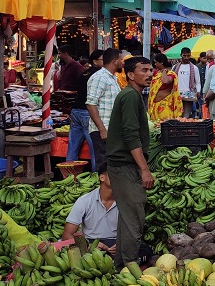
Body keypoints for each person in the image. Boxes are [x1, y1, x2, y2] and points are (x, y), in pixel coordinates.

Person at [107, 56, 155, 269]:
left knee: (128, 219)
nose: (149, 74)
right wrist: (144, 169)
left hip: (125, 166)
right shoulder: (130, 96)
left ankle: (120, 267)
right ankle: (129, 268)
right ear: (130, 74)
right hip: (124, 166)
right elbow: (130, 134)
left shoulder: (132, 96)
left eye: (151, 70)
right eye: (143, 70)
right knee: (134, 220)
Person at [62, 163, 117, 253]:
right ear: (102, 178)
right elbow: (67, 235)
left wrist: (123, 244)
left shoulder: (125, 202)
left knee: (145, 250)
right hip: (91, 242)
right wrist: (87, 245)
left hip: (116, 243)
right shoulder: (85, 201)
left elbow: (133, 232)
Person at [86, 49, 123, 172]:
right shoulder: (99, 77)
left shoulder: (112, 78)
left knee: (111, 164)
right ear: (114, 61)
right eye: (120, 60)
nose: (122, 63)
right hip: (102, 130)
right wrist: (102, 129)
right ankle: (103, 190)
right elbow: (91, 104)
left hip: (111, 129)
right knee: (104, 166)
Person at [68, 50, 103, 165]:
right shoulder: (98, 75)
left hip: (75, 111)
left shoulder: (85, 73)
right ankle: (96, 177)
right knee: (95, 149)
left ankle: (68, 175)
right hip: (87, 113)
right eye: (103, 59)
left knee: (73, 147)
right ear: (95, 61)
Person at [147, 54, 182, 121]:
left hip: (165, 106)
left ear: (161, 62)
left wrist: (164, 71)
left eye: (156, 62)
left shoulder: (170, 74)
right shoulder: (156, 73)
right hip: (154, 106)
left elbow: (165, 81)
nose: (155, 64)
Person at [172, 48, 200, 118]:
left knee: (185, 116)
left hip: (189, 94)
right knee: (177, 116)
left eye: (188, 56)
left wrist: (198, 91)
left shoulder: (194, 68)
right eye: (184, 56)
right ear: (181, 55)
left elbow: (198, 82)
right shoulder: (175, 67)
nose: (186, 58)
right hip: (177, 94)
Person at [196, 51, 208, 118]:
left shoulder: (208, 66)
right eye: (204, 58)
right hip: (199, 89)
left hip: (205, 89)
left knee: (205, 105)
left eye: (206, 58)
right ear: (200, 58)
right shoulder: (196, 67)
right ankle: (201, 118)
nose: (205, 60)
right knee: (201, 105)